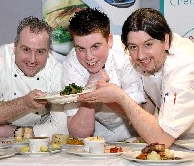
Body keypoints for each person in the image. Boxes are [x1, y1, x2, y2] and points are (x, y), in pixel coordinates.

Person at [78, 8, 194, 148]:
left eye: (148, 44)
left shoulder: (186, 69)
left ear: (166, 40)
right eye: (133, 47)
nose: (140, 56)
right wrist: (108, 97)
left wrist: (120, 97)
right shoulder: (154, 57)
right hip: (187, 143)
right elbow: (145, 114)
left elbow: (161, 140)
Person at [0, 16, 68, 138]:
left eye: (40, 52)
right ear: (15, 46)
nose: (32, 60)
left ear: (48, 52)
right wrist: (25, 103)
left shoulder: (56, 71)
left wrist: (16, 132)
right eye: (26, 50)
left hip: (41, 141)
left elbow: (62, 129)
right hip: (1, 140)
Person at [62, 7, 146, 142]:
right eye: (81, 49)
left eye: (95, 46)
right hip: (97, 137)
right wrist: (91, 90)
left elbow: (138, 112)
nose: (89, 57)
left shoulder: (126, 54)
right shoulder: (71, 65)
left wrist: (113, 95)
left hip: (133, 133)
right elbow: (78, 133)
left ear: (110, 40)